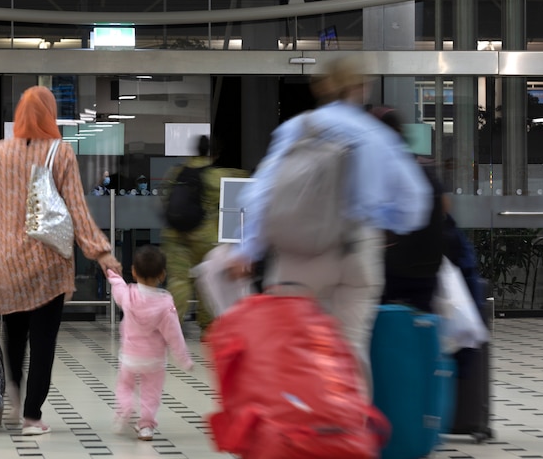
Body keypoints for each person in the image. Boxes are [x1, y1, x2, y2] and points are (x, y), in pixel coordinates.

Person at [228, 57, 433, 393]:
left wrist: (248, 247)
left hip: (299, 255)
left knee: (293, 349)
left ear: (320, 87)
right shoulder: (377, 135)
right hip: (358, 252)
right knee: (351, 350)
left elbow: (260, 191)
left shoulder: (298, 129)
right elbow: (415, 201)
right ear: (360, 87)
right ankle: (348, 436)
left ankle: (296, 435)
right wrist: (384, 222)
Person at [0, 86, 122, 436]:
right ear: (49, 114)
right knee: (44, 341)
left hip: (6, 267)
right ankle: (33, 417)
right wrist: (101, 251)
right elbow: (77, 208)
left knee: (14, 338)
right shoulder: (59, 152)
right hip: (47, 266)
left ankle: (15, 401)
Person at [105, 245, 193, 441]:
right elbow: (174, 334)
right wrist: (184, 359)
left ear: (134, 272)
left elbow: (118, 287)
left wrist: (112, 274)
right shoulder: (164, 302)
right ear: (162, 275)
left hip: (129, 355)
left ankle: (125, 409)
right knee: (151, 392)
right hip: (154, 360)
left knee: (125, 385)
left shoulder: (129, 294)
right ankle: (146, 426)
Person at [161, 135, 248, 331]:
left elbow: (164, 200)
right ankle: (208, 326)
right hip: (203, 236)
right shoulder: (214, 175)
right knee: (207, 278)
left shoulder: (176, 172)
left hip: (175, 235)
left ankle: (172, 327)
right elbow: (235, 186)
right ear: (214, 154)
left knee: (178, 280)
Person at [371, 106, 449, 313]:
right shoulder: (424, 165)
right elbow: (444, 208)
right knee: (420, 326)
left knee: (383, 328)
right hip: (427, 266)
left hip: (393, 269)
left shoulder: (384, 167)